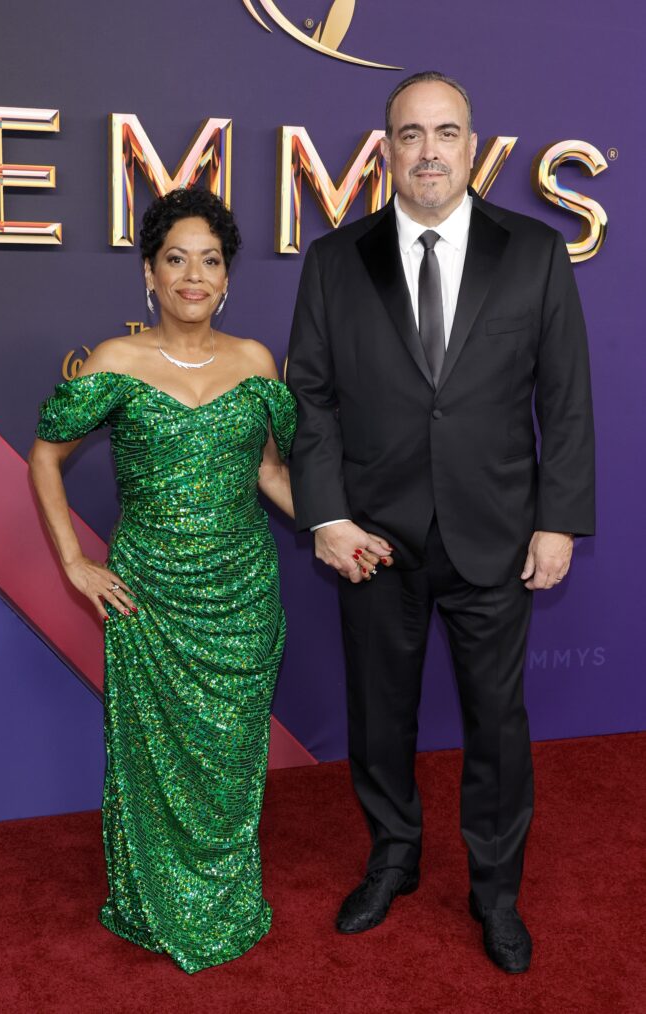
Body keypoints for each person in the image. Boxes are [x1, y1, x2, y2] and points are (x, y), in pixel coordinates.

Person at [287, 71, 595, 974]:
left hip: (496, 534)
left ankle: (496, 894)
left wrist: (558, 520)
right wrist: (328, 517)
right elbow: (313, 401)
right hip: (374, 541)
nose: (428, 150)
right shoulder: (335, 260)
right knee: (378, 719)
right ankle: (392, 860)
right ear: (385, 149)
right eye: (410, 133)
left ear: (473, 147)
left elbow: (566, 398)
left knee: (497, 726)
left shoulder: (535, 253)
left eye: (446, 132)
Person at [28, 187, 297, 974]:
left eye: (208, 261)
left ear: (226, 278)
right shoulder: (116, 361)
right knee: (151, 761)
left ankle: (222, 891)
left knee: (231, 755)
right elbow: (46, 456)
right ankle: (155, 900)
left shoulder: (254, 361)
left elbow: (272, 473)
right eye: (175, 259)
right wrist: (77, 563)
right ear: (150, 272)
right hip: (149, 596)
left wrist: (332, 528)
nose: (192, 276)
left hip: (243, 594)